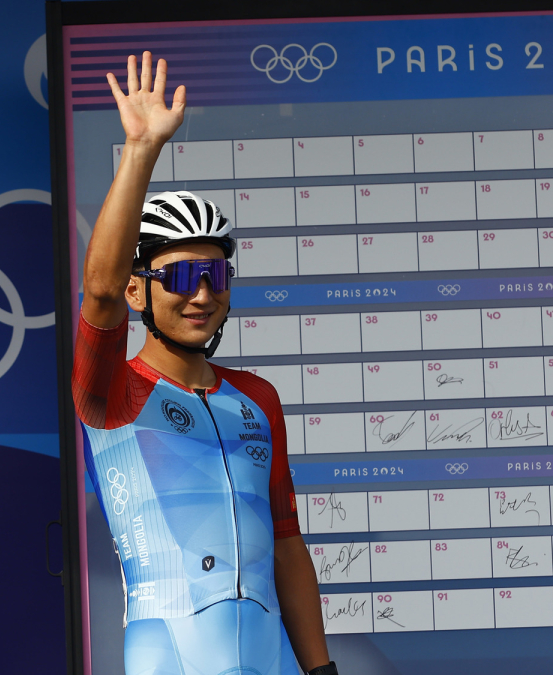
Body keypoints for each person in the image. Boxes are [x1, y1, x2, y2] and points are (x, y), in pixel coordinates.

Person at [71, 52, 337, 675]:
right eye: (181, 276)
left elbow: (286, 545)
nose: (201, 293)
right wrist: (141, 148)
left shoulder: (257, 397)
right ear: (139, 291)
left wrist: (322, 670)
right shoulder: (111, 393)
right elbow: (100, 293)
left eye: (214, 274)